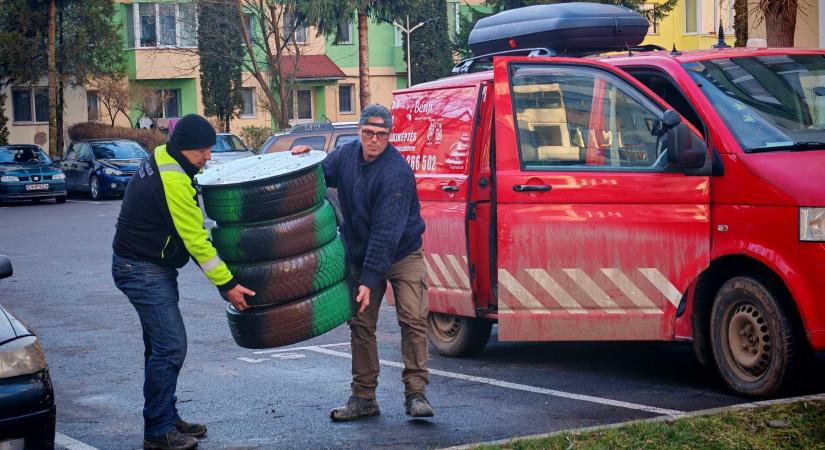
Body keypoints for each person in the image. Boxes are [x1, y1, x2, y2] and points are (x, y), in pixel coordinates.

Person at [112, 114, 255, 450]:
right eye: (202, 151)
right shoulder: (173, 180)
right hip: (141, 268)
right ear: (183, 148)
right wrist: (228, 284)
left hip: (147, 264)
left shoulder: (166, 154)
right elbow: (195, 240)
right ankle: (158, 431)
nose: (208, 156)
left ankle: (165, 415)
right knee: (171, 345)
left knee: (160, 347)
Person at [292, 104, 432, 421]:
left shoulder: (396, 174)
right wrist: (304, 161)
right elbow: (320, 175)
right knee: (361, 324)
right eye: (367, 132)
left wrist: (369, 281)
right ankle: (364, 398)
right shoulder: (346, 156)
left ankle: (416, 393)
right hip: (360, 252)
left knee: (412, 320)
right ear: (359, 131)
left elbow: (386, 235)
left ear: (389, 136)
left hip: (402, 252)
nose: (373, 140)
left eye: (381, 135)